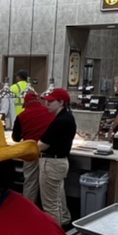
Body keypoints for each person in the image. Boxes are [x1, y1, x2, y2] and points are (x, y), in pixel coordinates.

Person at [37, 88, 76, 226]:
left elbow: (43, 145)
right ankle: (64, 221)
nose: (47, 104)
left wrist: (30, 147)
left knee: (50, 205)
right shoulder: (68, 117)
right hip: (60, 163)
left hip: (51, 163)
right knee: (58, 199)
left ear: (61, 102)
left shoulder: (60, 121)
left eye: (51, 101)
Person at [12, 90, 53, 206]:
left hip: (31, 152)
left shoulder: (22, 116)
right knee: (49, 186)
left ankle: (28, 209)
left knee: (30, 182)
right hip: (49, 152)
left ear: (25, 103)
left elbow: (15, 138)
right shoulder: (50, 112)